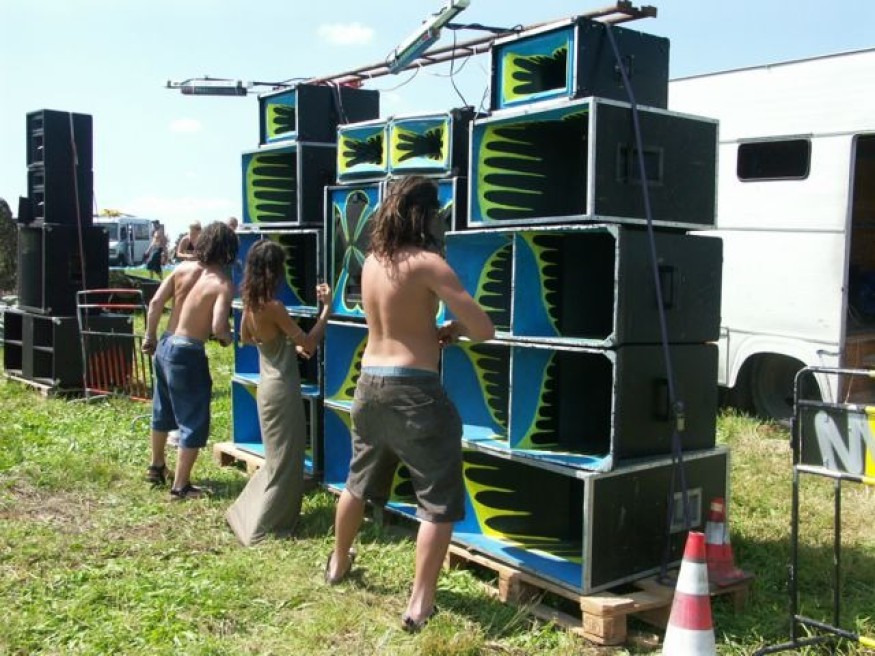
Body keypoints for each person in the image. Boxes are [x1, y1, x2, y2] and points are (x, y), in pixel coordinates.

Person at [325, 176, 494, 632]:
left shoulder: (371, 264)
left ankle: (338, 562)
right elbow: (484, 329)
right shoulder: (428, 264)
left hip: (368, 384)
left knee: (357, 482)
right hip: (415, 391)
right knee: (438, 500)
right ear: (426, 216)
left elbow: (395, 321)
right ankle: (419, 605)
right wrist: (455, 329)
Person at [225, 240, 332, 545]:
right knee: (287, 461)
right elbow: (309, 343)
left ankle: (248, 514)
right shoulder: (274, 307)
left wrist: (283, 346)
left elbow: (248, 339)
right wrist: (326, 309)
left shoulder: (250, 305)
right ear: (275, 271)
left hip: (266, 389)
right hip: (283, 390)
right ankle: (265, 527)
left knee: (276, 459)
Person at [142, 221, 238, 500]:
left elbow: (155, 303)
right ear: (228, 250)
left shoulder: (182, 269)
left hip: (165, 344)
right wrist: (230, 338)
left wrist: (149, 336)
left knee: (162, 410)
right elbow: (219, 327)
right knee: (193, 419)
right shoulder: (222, 284)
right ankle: (180, 487)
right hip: (188, 353)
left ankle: (156, 466)